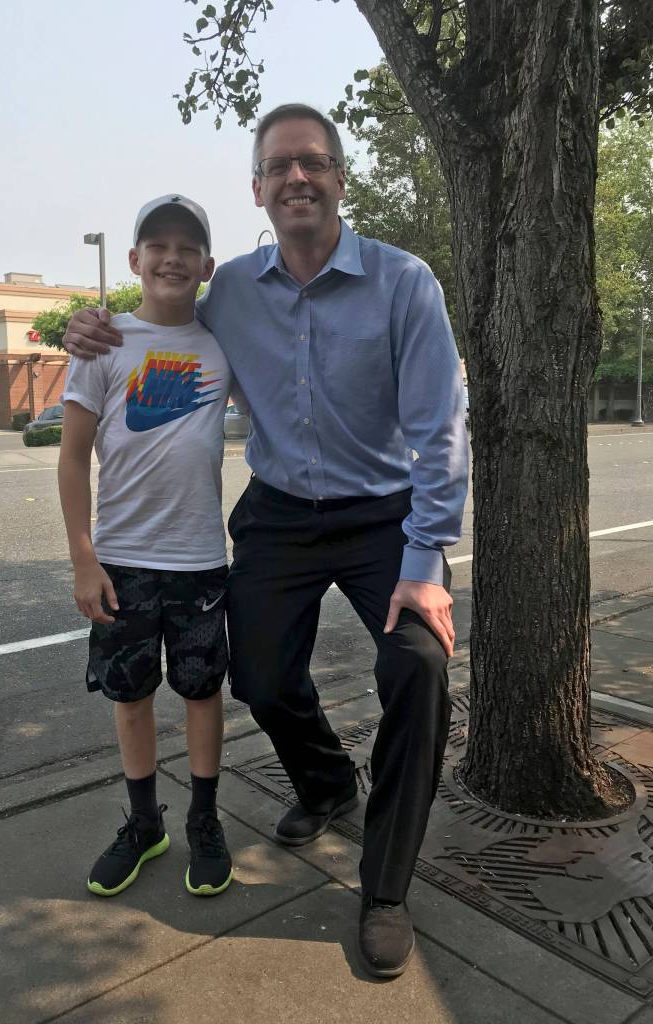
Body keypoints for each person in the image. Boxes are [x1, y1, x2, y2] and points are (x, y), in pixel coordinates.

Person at [63, 104, 469, 977]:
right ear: (258, 188)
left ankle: (386, 886)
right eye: (279, 165)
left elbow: (440, 430)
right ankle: (327, 782)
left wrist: (428, 560)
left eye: (313, 162)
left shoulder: (406, 283)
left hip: (384, 513)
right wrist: (86, 328)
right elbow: (159, 313)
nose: (297, 177)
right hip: (281, 511)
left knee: (419, 667)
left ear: (338, 180)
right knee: (258, 673)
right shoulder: (232, 291)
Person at [58, 194, 235, 901]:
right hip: (123, 562)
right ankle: (143, 823)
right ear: (134, 261)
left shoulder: (224, 345)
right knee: (130, 697)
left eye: (186, 247)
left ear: (206, 266)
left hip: (199, 560)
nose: (171, 257)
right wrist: (83, 557)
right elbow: (72, 459)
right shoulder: (103, 345)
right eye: (156, 245)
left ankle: (204, 820)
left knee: (201, 691)